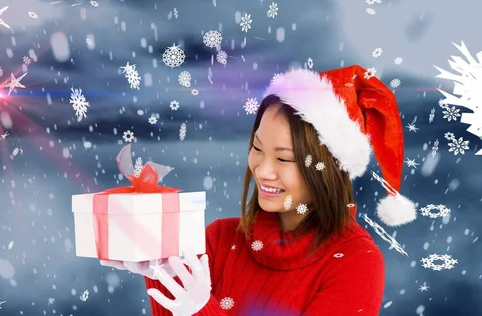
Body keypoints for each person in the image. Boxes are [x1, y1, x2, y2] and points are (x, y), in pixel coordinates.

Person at [100, 65, 417, 315]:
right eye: (257, 147)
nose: (263, 170)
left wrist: (200, 311)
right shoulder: (219, 239)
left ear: (328, 169)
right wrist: (162, 273)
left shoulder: (355, 262)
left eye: (283, 158)